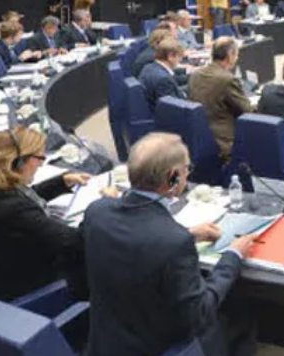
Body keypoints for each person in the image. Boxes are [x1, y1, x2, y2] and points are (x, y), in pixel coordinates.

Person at [80, 133, 257, 356]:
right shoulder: (174, 241)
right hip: (157, 348)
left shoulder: (97, 212)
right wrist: (232, 256)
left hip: (104, 345)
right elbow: (199, 314)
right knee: (242, 310)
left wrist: (189, 234)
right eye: (186, 169)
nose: (187, 174)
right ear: (173, 177)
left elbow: (134, 241)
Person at [0, 127, 93, 300]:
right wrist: (103, 207)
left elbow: (22, 198)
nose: (42, 163)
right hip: (24, 291)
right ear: (18, 162)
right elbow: (74, 241)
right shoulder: (16, 210)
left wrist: (61, 183)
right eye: (39, 158)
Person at [187, 37, 254, 160]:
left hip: (199, 136)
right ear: (229, 56)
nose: (237, 58)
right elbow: (248, 111)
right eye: (236, 55)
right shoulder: (228, 79)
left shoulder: (195, 74)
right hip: (224, 141)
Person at [138, 38, 186, 113]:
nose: (181, 60)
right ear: (171, 56)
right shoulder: (163, 80)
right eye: (180, 56)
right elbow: (173, 110)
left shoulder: (148, 67)